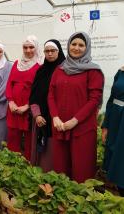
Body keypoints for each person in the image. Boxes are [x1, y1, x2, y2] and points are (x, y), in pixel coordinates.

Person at [48, 32, 104, 183]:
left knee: (82, 170)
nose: (76, 48)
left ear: (87, 48)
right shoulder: (60, 69)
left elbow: (94, 100)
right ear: (68, 46)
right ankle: (61, 202)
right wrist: (55, 117)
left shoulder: (93, 71)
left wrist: (75, 120)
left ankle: (81, 202)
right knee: (60, 168)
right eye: (73, 44)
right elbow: (51, 95)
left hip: (82, 128)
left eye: (81, 45)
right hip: (60, 126)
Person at [29, 39, 65, 172]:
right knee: (40, 153)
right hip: (40, 118)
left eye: (53, 51)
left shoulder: (65, 70)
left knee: (55, 155)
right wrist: (37, 115)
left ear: (58, 51)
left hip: (58, 120)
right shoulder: (41, 71)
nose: (49, 54)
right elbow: (33, 96)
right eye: (47, 51)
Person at [5, 35, 41, 161]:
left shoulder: (39, 66)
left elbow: (38, 90)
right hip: (13, 108)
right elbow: (9, 83)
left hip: (28, 109)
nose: (28, 50)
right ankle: (11, 164)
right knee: (13, 137)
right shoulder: (16, 64)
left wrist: (27, 105)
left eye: (31, 47)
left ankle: (27, 166)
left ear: (36, 48)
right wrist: (11, 102)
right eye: (25, 47)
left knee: (29, 140)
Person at [102, 66, 124, 196]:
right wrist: (106, 125)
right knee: (113, 151)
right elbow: (111, 99)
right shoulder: (120, 72)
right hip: (116, 119)